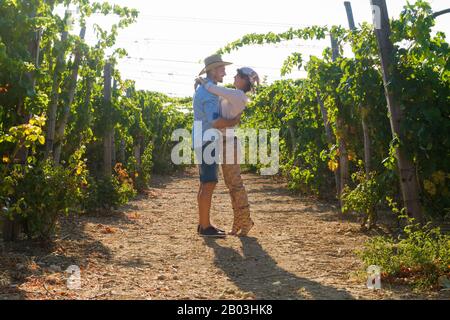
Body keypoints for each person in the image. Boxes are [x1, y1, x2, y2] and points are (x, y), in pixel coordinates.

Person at [195, 67, 260, 236]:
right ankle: (239, 220)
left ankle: (245, 220)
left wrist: (203, 81)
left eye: (237, 75)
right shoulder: (235, 94)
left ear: (245, 80)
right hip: (223, 141)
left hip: (228, 142)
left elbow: (213, 89)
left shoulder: (237, 95)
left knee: (235, 183)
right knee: (231, 184)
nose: (233, 76)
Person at [193, 54, 241, 238]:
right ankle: (205, 227)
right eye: (221, 68)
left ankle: (203, 224)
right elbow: (215, 122)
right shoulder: (209, 94)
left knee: (206, 182)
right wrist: (233, 120)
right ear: (213, 70)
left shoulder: (206, 90)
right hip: (207, 140)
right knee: (209, 182)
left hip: (203, 138)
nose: (225, 71)